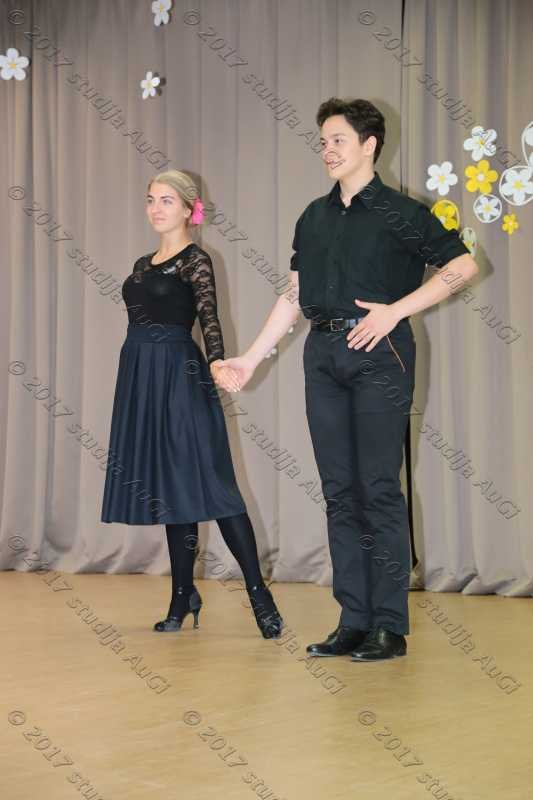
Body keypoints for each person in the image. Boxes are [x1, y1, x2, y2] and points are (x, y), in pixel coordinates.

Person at [220, 98, 478, 661]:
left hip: (381, 353)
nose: (328, 149)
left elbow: (463, 266)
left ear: (369, 145)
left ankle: (389, 625)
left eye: (338, 139)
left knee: (379, 488)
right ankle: (354, 619)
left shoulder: (403, 212)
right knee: (339, 491)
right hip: (323, 355)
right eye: (323, 141)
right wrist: (251, 358)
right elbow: (294, 295)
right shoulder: (312, 217)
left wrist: (396, 311)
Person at [100, 170, 283, 639]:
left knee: (217, 487)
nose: (156, 208)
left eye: (166, 200)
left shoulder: (196, 260)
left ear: (188, 209)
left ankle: (258, 594)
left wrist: (218, 361)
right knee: (170, 490)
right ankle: (182, 595)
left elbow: (209, 318)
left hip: (180, 377)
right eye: (150, 199)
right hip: (140, 376)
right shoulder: (142, 264)